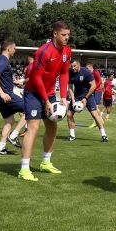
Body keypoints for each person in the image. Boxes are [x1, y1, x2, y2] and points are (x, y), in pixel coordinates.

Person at [17, 21, 71, 182]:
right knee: (33, 127)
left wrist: (62, 96)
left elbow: (64, 74)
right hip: (33, 93)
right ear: (55, 34)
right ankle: (24, 169)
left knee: (52, 126)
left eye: (68, 34)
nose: (67, 38)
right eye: (63, 35)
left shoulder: (67, 51)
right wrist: (46, 100)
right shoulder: (43, 51)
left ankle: (45, 162)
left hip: (50, 94)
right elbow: (36, 77)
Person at [0, 40, 27, 155]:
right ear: (8, 49)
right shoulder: (3, 60)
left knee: (9, 120)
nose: (15, 50)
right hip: (5, 95)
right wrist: (2, 93)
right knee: (30, 110)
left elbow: (2, 78)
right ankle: (14, 135)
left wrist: (14, 82)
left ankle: (1, 147)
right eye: (14, 48)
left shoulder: (0, 60)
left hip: (1, 95)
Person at [66, 59, 99, 140]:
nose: (73, 68)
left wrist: (86, 98)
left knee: (95, 115)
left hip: (88, 96)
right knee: (69, 115)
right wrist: (73, 99)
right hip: (77, 96)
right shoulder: (70, 72)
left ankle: (104, 134)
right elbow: (69, 87)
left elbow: (93, 85)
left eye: (74, 66)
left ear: (79, 65)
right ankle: (72, 135)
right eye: (72, 66)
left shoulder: (86, 72)